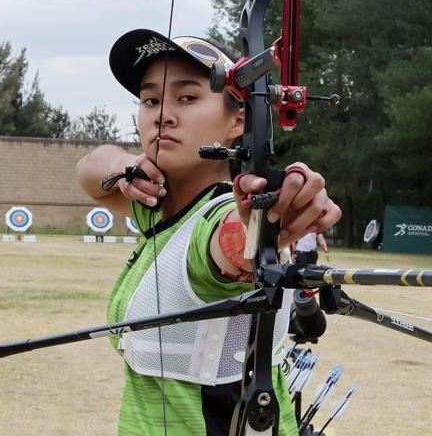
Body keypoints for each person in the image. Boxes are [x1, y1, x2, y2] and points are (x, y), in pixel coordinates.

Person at [76, 29, 341, 436]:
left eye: (187, 97)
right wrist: (127, 165)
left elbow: (228, 246)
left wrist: (269, 223)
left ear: (239, 120)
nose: (162, 114)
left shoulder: (213, 215)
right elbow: (90, 169)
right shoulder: (155, 204)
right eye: (150, 99)